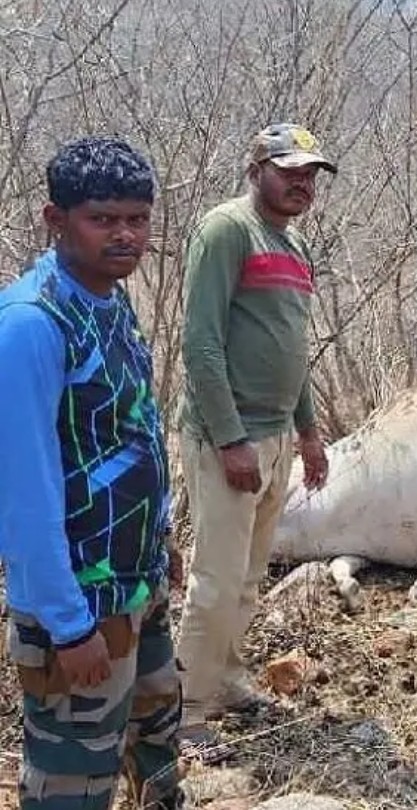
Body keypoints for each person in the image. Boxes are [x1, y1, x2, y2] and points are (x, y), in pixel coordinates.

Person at [0, 137, 182, 810]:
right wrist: (68, 627)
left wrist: (160, 542)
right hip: (79, 603)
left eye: (137, 219)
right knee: (72, 784)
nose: (125, 235)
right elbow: (22, 494)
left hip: (138, 584)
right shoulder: (32, 324)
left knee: (156, 748)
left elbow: (129, 432)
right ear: (56, 220)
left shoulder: (108, 300)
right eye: (103, 219)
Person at [174, 124, 335, 758]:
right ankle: (184, 711)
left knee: (247, 577)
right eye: (289, 170)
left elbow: (292, 350)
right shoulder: (226, 230)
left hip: (275, 436)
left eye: (311, 174)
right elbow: (200, 343)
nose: (303, 184)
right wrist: (230, 438)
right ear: (256, 170)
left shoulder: (294, 246)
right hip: (227, 438)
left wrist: (309, 433)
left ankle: (225, 680)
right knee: (215, 580)